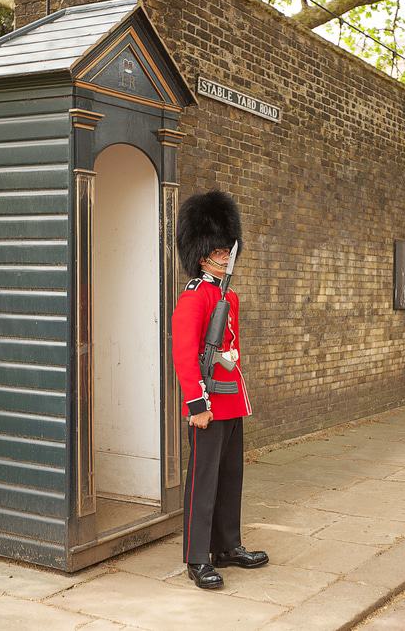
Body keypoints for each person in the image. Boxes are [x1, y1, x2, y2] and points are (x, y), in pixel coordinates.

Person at [172, 189, 269, 590]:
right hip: (209, 402)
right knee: (203, 481)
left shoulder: (227, 295)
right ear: (202, 255)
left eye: (228, 248)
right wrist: (196, 403)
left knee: (230, 478)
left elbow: (231, 351)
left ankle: (228, 545)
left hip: (231, 401)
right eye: (219, 250)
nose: (227, 254)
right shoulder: (196, 296)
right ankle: (197, 557)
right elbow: (183, 352)